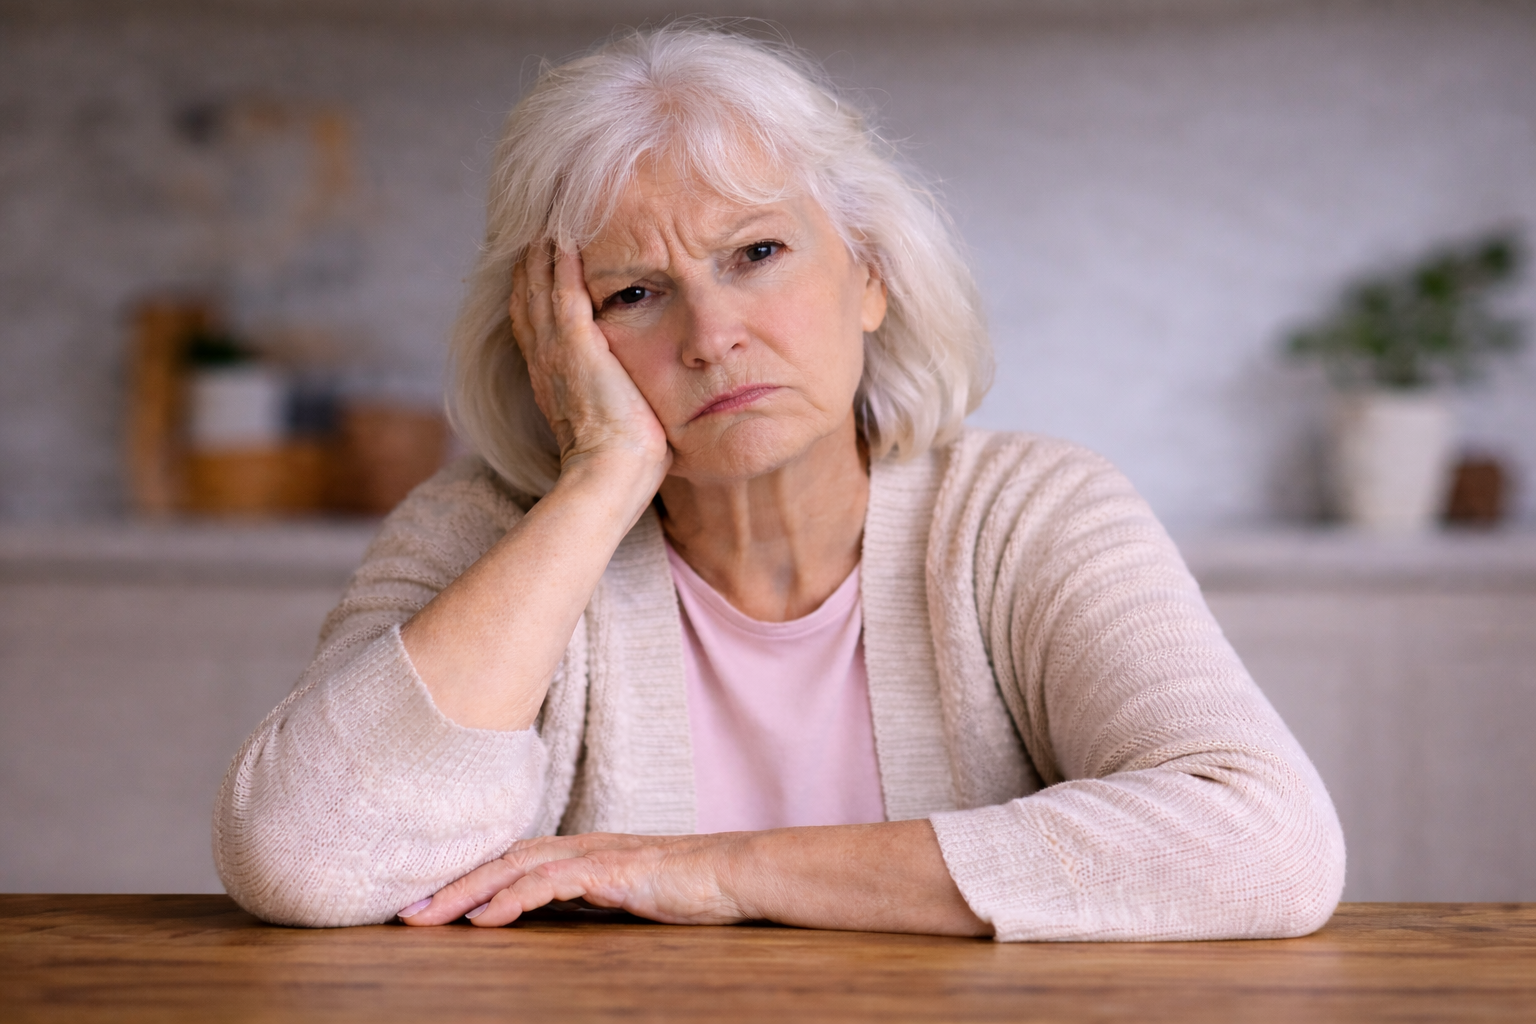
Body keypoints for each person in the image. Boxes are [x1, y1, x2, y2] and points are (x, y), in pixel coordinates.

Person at [213, 24, 1345, 941]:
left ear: (869, 276)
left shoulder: (1029, 515)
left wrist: (725, 873)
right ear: (555, 343)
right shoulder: (484, 534)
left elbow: (1264, 841)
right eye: (633, 295)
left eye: (756, 254)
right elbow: (303, 857)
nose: (713, 334)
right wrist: (602, 478)